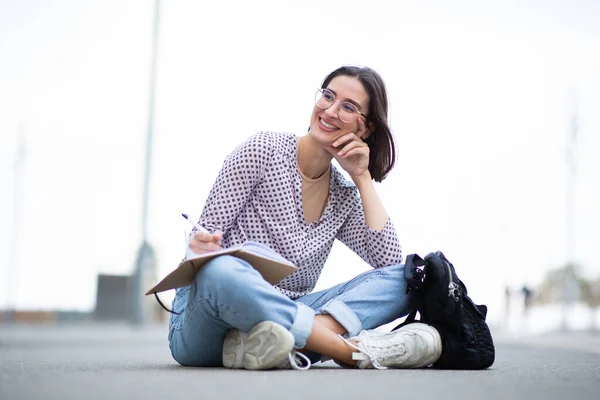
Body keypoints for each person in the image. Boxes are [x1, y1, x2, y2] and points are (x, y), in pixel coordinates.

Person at [168, 65, 442, 370]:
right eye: (328, 96)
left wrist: (363, 177)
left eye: (348, 107)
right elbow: (202, 243)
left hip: (288, 313)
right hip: (208, 319)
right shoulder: (262, 151)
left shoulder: (343, 195)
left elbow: (389, 264)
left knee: (409, 279)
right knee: (222, 269)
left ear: (365, 129)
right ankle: (347, 350)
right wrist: (202, 246)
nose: (331, 110)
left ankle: (272, 343)